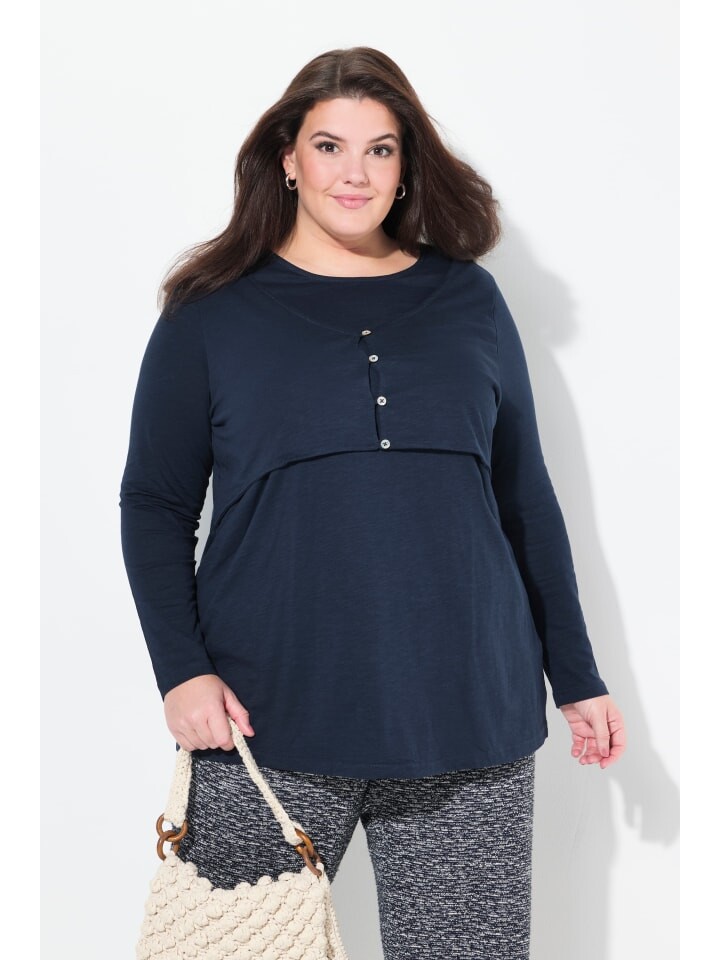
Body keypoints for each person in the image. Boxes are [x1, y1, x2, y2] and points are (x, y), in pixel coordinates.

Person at [119, 45, 626, 959]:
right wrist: (180, 671)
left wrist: (577, 675)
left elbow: (523, 495)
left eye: (380, 149)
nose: (354, 173)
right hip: (262, 716)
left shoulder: (469, 299)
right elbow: (154, 502)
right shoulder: (210, 312)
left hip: (467, 715)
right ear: (288, 157)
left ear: (405, 165)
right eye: (329, 146)